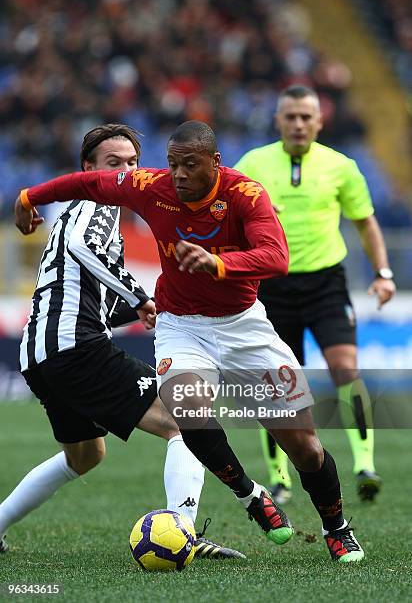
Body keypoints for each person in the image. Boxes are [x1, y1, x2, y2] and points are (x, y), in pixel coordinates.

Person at [15, 120, 365, 562]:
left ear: (215, 163)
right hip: (181, 325)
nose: (178, 175)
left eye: (190, 165)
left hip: (246, 327)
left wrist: (218, 265)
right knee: (187, 409)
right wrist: (30, 197)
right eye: (173, 164)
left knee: (305, 446)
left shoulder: (246, 195)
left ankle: (337, 527)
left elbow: (276, 257)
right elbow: (89, 180)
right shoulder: (150, 186)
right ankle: (247, 493)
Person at [1, 123, 244, 560]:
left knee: (85, 456)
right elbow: (83, 247)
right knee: (183, 419)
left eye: (133, 163)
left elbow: (83, 292)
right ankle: (183, 531)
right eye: (114, 163)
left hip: (41, 353)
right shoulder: (94, 206)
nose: (127, 172)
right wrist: (140, 296)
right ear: (89, 170)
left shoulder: (77, 213)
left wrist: (136, 308)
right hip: (74, 347)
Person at [234, 84, 396, 504]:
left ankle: (365, 464)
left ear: (320, 121)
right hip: (273, 285)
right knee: (279, 385)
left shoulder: (341, 166)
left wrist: (382, 272)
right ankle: (280, 478)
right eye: (291, 116)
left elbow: (366, 222)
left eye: (307, 117)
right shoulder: (253, 163)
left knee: (346, 369)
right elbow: (231, 218)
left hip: (326, 283)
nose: (299, 124)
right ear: (278, 121)